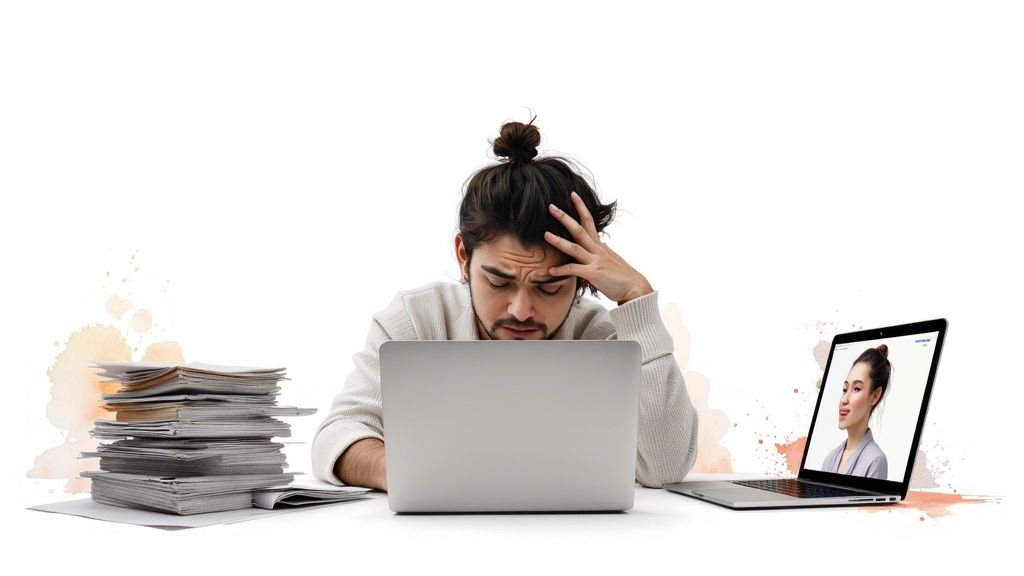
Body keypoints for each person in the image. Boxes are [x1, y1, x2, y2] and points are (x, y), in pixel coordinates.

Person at [311, 115, 699, 491]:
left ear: (581, 277)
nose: (521, 310)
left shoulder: (604, 338)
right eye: (499, 281)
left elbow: (664, 466)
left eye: (549, 287)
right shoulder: (415, 320)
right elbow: (337, 436)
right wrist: (407, 474)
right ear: (463, 256)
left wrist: (638, 300)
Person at [821, 344, 892, 479]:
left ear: (875, 396)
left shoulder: (875, 461)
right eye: (845, 389)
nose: (844, 400)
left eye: (857, 389)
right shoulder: (830, 458)